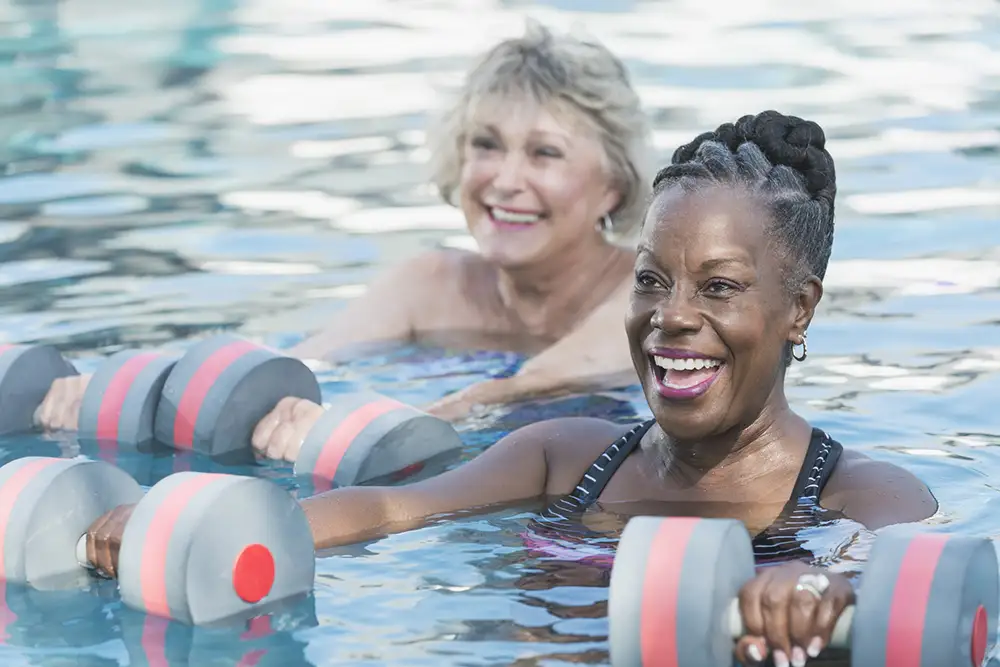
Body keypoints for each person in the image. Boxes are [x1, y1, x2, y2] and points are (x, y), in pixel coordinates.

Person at [84, 111, 937, 667]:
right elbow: (387, 512)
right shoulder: (566, 456)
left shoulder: (861, 494)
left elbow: (892, 585)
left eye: (718, 288)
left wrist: (816, 593)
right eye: (650, 281)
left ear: (799, 309)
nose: (671, 317)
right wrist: (199, 521)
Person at [30, 21, 653, 433]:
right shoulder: (431, 282)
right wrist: (132, 393)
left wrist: (343, 431)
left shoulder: (649, 295)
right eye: (486, 145)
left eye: (545, 153)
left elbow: (514, 393)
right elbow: (304, 364)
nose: (506, 179)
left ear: (614, 184)